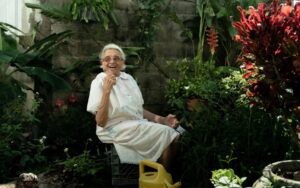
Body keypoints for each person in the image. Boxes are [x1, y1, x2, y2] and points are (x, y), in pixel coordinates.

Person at [86, 43, 181, 173]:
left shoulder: (128, 79)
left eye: (116, 58)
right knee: (169, 135)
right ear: (102, 63)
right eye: (107, 59)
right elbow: (101, 122)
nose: (112, 61)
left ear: (123, 62)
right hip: (111, 128)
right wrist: (107, 90)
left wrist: (162, 120)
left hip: (135, 124)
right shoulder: (99, 82)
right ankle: (164, 180)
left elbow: (137, 110)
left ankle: (160, 179)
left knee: (178, 132)